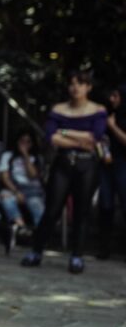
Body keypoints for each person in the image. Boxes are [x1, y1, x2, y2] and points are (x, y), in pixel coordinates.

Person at [21, 70, 108, 273]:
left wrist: (65, 132)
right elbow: (51, 137)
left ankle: (77, 255)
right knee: (52, 209)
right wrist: (79, 137)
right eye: (72, 83)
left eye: (80, 83)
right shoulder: (59, 109)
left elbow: (95, 137)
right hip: (63, 163)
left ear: (88, 87)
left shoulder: (98, 110)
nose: (75, 87)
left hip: (87, 165)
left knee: (82, 211)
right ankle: (37, 250)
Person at [0, 131, 46, 235]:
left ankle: (40, 234)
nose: (25, 144)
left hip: (33, 191)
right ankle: (20, 227)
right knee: (6, 198)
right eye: (22, 141)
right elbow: (4, 177)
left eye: (28, 142)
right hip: (14, 188)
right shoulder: (8, 156)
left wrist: (25, 155)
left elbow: (33, 175)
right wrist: (16, 191)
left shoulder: (36, 158)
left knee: (36, 205)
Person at [98, 83, 126, 259]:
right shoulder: (108, 115)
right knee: (105, 205)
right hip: (106, 164)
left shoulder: (116, 119)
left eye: (116, 96)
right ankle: (104, 248)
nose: (112, 99)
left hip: (123, 164)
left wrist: (113, 127)